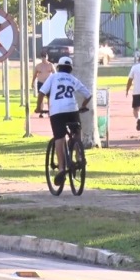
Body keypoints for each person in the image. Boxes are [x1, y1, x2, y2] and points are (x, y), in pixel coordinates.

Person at [35, 56, 92, 186]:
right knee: (77, 131)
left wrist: (38, 108)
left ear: (59, 67)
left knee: (59, 138)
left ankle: (61, 168)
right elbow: (88, 95)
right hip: (72, 109)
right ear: (70, 69)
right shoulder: (73, 79)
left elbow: (42, 92)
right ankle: (79, 155)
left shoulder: (53, 77)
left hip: (57, 111)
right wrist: (83, 105)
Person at [31, 51, 56, 116]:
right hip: (40, 83)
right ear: (41, 58)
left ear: (47, 57)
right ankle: (41, 112)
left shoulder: (50, 65)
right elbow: (35, 75)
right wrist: (32, 82)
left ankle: (50, 112)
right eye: (42, 57)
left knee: (49, 98)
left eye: (45, 57)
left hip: (49, 84)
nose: (44, 59)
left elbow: (55, 75)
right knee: (41, 98)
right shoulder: (38, 66)